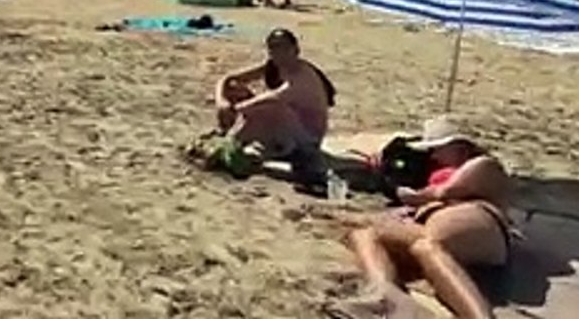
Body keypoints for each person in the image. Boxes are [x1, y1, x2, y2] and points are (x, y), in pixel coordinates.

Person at [346, 116, 511, 319]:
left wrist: (411, 196)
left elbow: (445, 192)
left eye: (437, 149)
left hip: (481, 222)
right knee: (365, 236)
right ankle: (388, 297)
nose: (433, 156)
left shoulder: (484, 165)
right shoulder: (445, 172)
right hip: (437, 231)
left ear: (460, 147)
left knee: (426, 246)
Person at [212, 28, 335, 164]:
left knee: (268, 107)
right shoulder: (274, 66)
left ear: (295, 50)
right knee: (234, 89)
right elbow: (228, 78)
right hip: (285, 124)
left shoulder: (303, 76)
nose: (280, 53)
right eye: (275, 48)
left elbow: (271, 98)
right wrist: (221, 102)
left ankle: (232, 141)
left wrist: (234, 110)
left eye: (284, 48)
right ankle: (232, 136)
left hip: (307, 137)